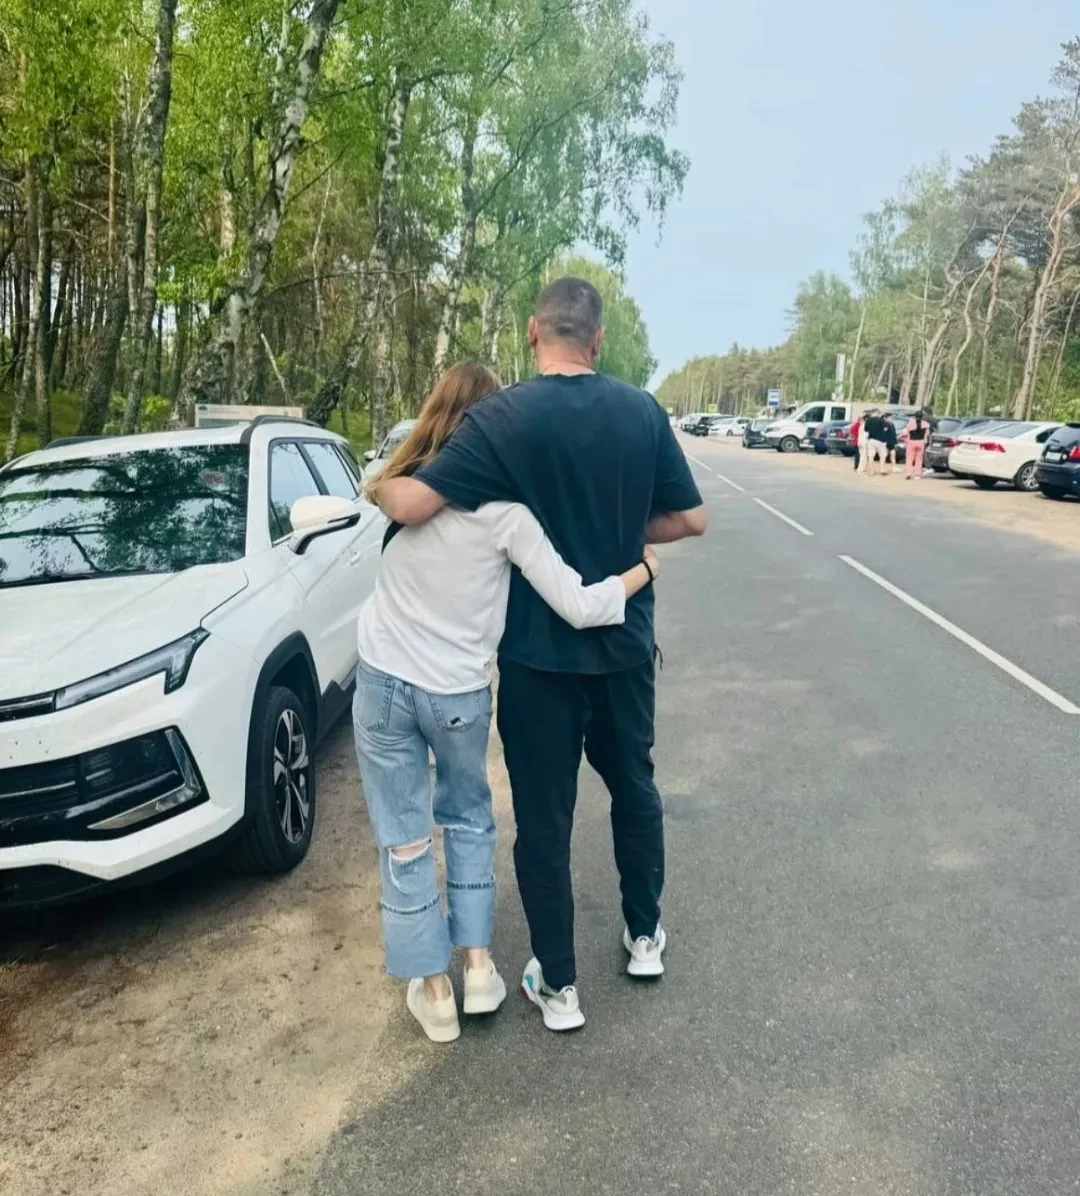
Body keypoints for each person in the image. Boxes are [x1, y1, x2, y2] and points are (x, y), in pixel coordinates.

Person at [375, 277, 707, 1032]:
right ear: (598, 337)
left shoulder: (501, 418)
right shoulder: (642, 411)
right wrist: (627, 536)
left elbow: (415, 505)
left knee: (544, 818)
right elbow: (691, 518)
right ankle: (644, 937)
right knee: (635, 788)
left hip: (538, 661)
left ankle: (559, 986)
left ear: (533, 331)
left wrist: (376, 485)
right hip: (624, 650)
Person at [862, 409, 888, 477]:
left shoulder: (868, 421)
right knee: (882, 455)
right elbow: (885, 429)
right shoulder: (881, 420)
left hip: (871, 440)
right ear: (878, 413)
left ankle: (871, 471)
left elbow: (866, 429)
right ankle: (881, 470)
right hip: (880, 440)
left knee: (871, 456)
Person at [906, 411, 929, 479]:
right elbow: (927, 434)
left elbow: (907, 433)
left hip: (911, 442)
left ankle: (909, 473)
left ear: (915, 416)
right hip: (921, 442)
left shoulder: (911, 423)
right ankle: (917, 475)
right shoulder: (926, 424)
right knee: (919, 459)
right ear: (922, 416)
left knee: (910, 459)